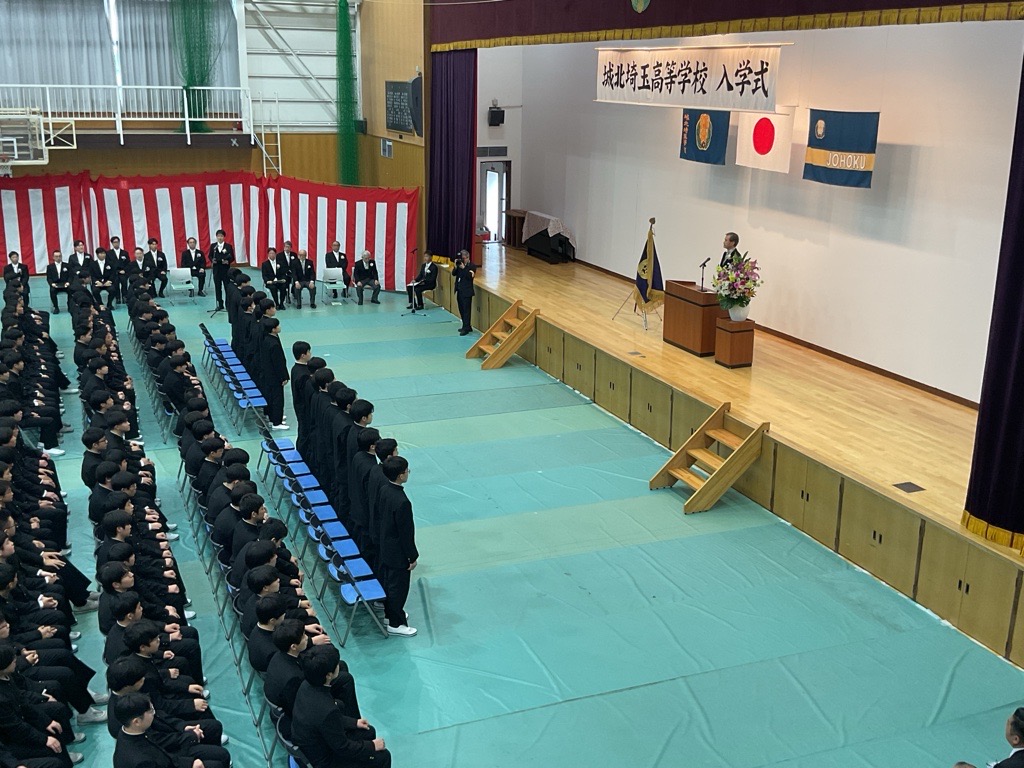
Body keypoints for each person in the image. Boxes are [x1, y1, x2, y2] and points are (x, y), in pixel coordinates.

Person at [291, 645, 389, 768]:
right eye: (336, 664)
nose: (339, 665)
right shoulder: (327, 709)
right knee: (383, 756)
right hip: (324, 760)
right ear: (328, 675)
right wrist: (372, 746)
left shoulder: (306, 685)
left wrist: (354, 723)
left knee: (369, 731)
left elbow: (328, 721)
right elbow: (342, 747)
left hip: (311, 743)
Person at [376, 456, 418, 637]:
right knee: (398, 588)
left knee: (389, 582)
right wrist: (412, 556)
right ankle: (395, 622)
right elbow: (406, 533)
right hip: (398, 552)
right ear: (401, 475)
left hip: (385, 545)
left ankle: (390, 614)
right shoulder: (402, 501)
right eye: (407, 471)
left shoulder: (384, 489)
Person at [257, 317, 288, 430]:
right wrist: (283, 377)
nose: (279, 327)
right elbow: (278, 363)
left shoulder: (266, 339)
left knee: (271, 396)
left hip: (267, 373)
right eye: (277, 326)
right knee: (277, 398)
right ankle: (276, 422)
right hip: (274, 376)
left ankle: (273, 416)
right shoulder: (274, 344)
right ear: (273, 329)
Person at [208, 230, 234, 311]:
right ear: (216, 237)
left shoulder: (228, 246)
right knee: (217, 287)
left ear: (224, 237)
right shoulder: (213, 246)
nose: (220, 238)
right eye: (218, 236)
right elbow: (210, 256)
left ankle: (228, 304)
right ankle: (220, 304)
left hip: (225, 270)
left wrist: (228, 261)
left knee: (227, 287)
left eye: (221, 236)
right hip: (216, 270)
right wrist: (212, 260)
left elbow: (232, 257)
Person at [452, 249, 475, 335]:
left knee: (466, 310)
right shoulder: (459, 265)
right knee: (461, 309)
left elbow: (469, 277)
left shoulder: (472, 266)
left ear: (467, 257)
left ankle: (466, 328)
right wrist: (455, 266)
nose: (462, 260)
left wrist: (464, 268)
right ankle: (466, 326)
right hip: (459, 290)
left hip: (467, 291)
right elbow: (453, 274)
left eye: (464, 258)